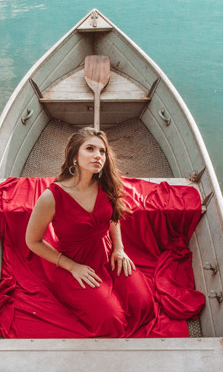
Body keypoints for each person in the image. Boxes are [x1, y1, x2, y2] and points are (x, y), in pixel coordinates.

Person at [24, 127, 155, 337]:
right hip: (73, 263)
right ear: (75, 155)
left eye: (102, 151)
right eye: (90, 149)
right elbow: (32, 241)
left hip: (106, 253)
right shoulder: (52, 197)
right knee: (112, 321)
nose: (98, 156)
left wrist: (119, 249)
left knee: (144, 305)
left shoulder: (107, 183)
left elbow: (114, 217)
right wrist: (72, 267)